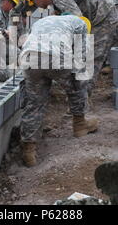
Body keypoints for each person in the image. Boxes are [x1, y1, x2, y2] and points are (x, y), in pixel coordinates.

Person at [18, 15, 98, 167]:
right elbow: (82, 59)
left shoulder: (41, 21)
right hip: (57, 57)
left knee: (34, 102)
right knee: (76, 84)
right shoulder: (80, 25)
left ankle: (29, 149)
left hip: (29, 58)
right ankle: (80, 125)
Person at [22, 0, 118, 95]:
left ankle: (83, 95)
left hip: (104, 18)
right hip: (92, 16)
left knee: (91, 56)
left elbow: (78, 21)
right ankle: (78, 90)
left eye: (34, 2)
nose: (37, 6)